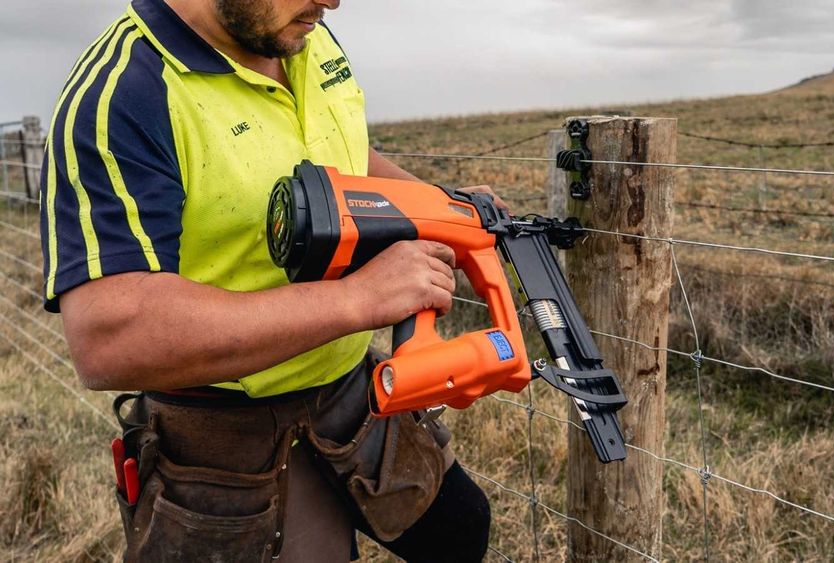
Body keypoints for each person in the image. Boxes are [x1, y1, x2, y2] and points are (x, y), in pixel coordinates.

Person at [40, 0, 502, 560]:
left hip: (347, 388)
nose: (332, 1)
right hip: (223, 433)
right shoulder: (124, 95)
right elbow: (110, 338)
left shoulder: (300, 36)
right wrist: (358, 299)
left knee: (461, 527)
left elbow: (345, 156)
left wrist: (447, 212)